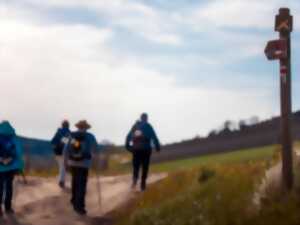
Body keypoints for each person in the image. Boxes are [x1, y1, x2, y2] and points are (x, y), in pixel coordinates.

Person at [64, 120, 98, 215]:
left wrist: (65, 163)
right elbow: (96, 149)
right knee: (82, 185)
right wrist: (95, 161)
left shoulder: (71, 136)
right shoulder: (90, 136)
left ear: (78, 127)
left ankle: (74, 200)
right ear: (86, 128)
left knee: (74, 182)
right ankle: (80, 207)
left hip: (72, 162)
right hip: (84, 163)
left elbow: (65, 149)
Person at [125, 113, 161, 191]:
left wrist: (128, 146)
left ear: (141, 118)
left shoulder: (135, 126)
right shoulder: (148, 126)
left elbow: (128, 136)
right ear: (146, 118)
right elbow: (154, 137)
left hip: (136, 149)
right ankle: (143, 185)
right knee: (145, 166)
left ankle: (134, 181)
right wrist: (157, 147)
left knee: (136, 166)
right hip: (146, 150)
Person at [0, 121, 24, 217]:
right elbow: (19, 153)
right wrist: (20, 167)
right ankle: (8, 207)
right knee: (9, 186)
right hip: (11, 167)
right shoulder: (14, 138)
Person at [51, 120, 71, 188]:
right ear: (68, 125)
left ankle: (61, 180)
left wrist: (57, 144)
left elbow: (52, 141)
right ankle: (61, 181)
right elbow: (71, 142)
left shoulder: (58, 132)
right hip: (65, 152)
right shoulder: (68, 133)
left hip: (57, 152)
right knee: (63, 167)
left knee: (61, 166)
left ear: (62, 125)